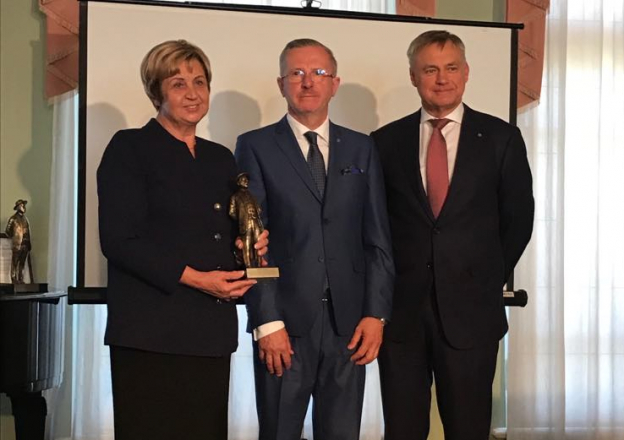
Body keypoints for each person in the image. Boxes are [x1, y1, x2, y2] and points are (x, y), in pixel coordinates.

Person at [97, 40, 268, 440]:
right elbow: (119, 240)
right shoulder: (129, 147)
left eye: (200, 82)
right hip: (149, 334)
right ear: (156, 92)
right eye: (178, 84)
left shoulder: (220, 157)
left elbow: (219, 234)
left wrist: (248, 247)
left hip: (210, 332)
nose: (192, 93)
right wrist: (197, 278)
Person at [371, 30, 534, 440]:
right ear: (413, 76)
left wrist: (483, 278)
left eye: (451, 68)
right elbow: (374, 224)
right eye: (430, 69)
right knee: (402, 429)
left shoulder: (500, 138)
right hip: (401, 315)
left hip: (472, 314)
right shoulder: (384, 142)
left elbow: (518, 219)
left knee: (468, 429)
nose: (442, 79)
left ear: (466, 72)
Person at [235, 38, 394, 440]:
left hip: (349, 327)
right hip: (284, 325)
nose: (308, 82)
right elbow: (252, 241)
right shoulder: (255, 146)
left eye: (319, 72)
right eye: (297, 73)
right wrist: (267, 320)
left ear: (335, 84)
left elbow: (377, 239)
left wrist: (375, 315)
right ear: (281, 83)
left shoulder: (362, 148)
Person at [5, 199, 31, 283]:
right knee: (15, 263)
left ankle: (21, 278)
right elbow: (7, 231)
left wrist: (28, 243)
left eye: (24, 205)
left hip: (25, 244)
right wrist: (15, 238)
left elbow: (27, 231)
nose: (24, 207)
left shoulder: (25, 219)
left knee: (22, 263)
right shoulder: (13, 219)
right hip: (17, 244)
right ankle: (14, 279)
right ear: (18, 207)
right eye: (22, 205)